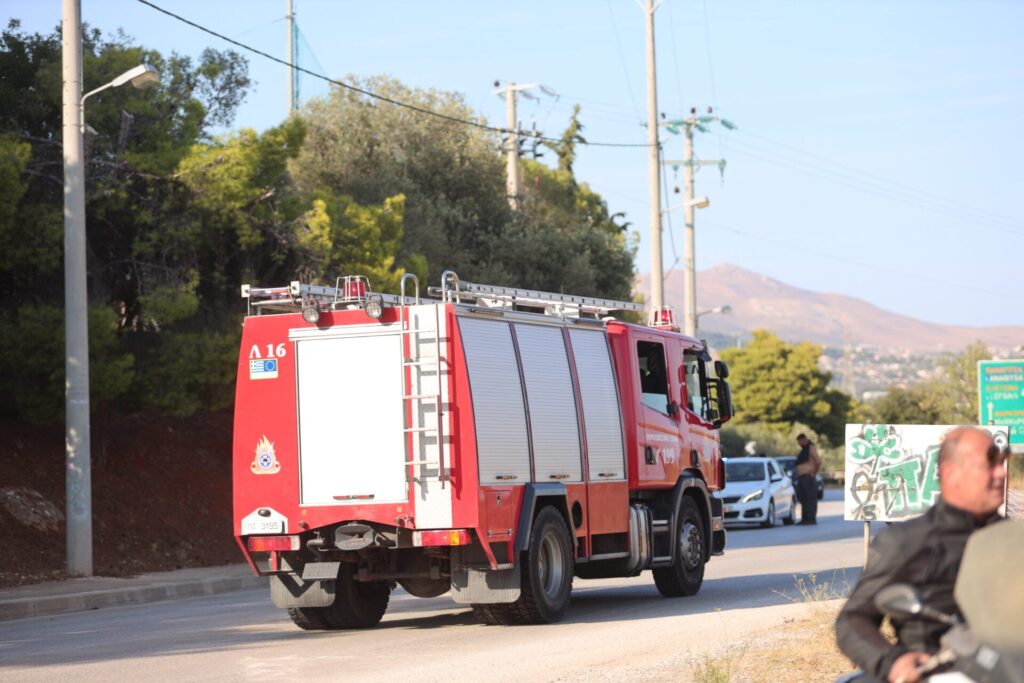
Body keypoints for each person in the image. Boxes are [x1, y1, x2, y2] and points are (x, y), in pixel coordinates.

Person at [834, 426, 1008, 683]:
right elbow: (853, 619)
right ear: (951, 473)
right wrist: (892, 662)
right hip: (941, 672)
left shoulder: (1012, 539)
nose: (1002, 473)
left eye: (1003, 463)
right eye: (990, 464)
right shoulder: (908, 542)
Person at [794, 433, 821, 524]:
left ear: (804, 440)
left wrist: (814, 473)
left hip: (808, 477)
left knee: (810, 499)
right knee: (803, 498)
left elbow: (818, 461)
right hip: (802, 477)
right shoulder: (804, 449)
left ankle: (811, 518)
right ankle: (805, 518)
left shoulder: (811, 447)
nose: (799, 444)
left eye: (800, 442)